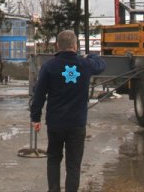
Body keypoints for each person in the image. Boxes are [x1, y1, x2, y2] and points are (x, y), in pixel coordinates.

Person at [30, 30, 106, 192]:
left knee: (53, 159)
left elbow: (39, 94)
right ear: (75, 46)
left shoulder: (49, 67)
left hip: (55, 123)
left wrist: (35, 118)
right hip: (76, 124)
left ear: (58, 46)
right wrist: (90, 56)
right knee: (73, 164)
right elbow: (101, 64)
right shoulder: (85, 65)